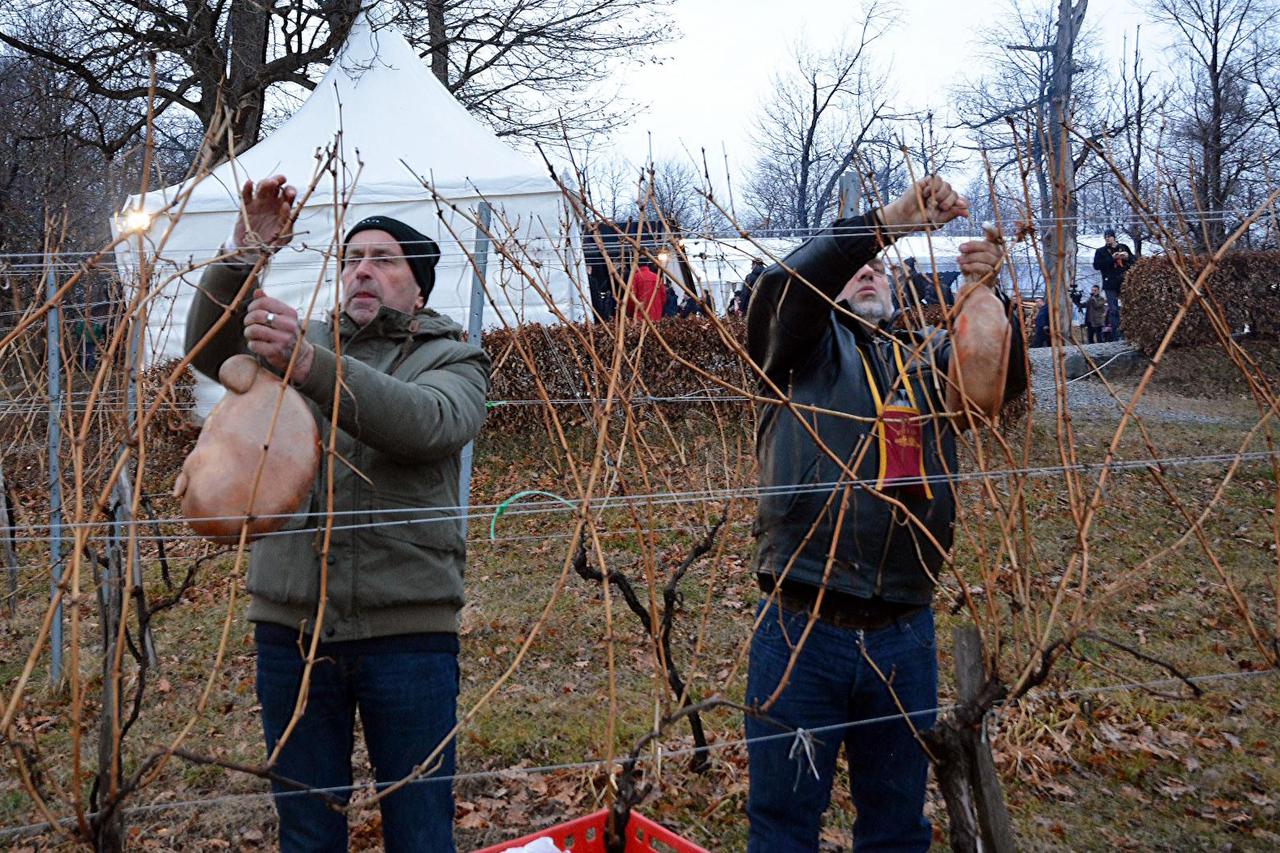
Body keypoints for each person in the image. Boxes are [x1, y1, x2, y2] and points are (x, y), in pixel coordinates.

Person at [184, 175, 490, 853]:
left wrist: (311, 364)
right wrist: (241, 258)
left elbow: (427, 422)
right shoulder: (307, 342)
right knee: (307, 833)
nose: (362, 270)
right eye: (353, 257)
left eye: (384, 259)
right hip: (293, 630)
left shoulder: (454, 357)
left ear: (419, 287)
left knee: (419, 830)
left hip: (407, 632)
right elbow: (210, 352)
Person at [743, 175, 1026, 852]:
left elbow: (996, 386)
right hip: (803, 624)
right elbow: (787, 291)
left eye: (879, 266)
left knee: (898, 827)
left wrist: (987, 295)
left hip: (904, 628)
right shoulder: (798, 354)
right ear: (833, 289)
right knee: (783, 826)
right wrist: (886, 222)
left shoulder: (924, 363)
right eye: (855, 267)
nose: (869, 269)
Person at [1092, 228, 1132, 341]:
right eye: (1105, 237)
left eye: (1109, 236)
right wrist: (1111, 258)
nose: (1107, 239)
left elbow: (1134, 261)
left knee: (1128, 307)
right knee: (1113, 309)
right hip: (1110, 282)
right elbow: (1096, 265)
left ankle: (1128, 333)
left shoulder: (1123, 247)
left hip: (1125, 281)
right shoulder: (1101, 251)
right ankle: (1116, 335)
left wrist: (1127, 257)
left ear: (1114, 237)